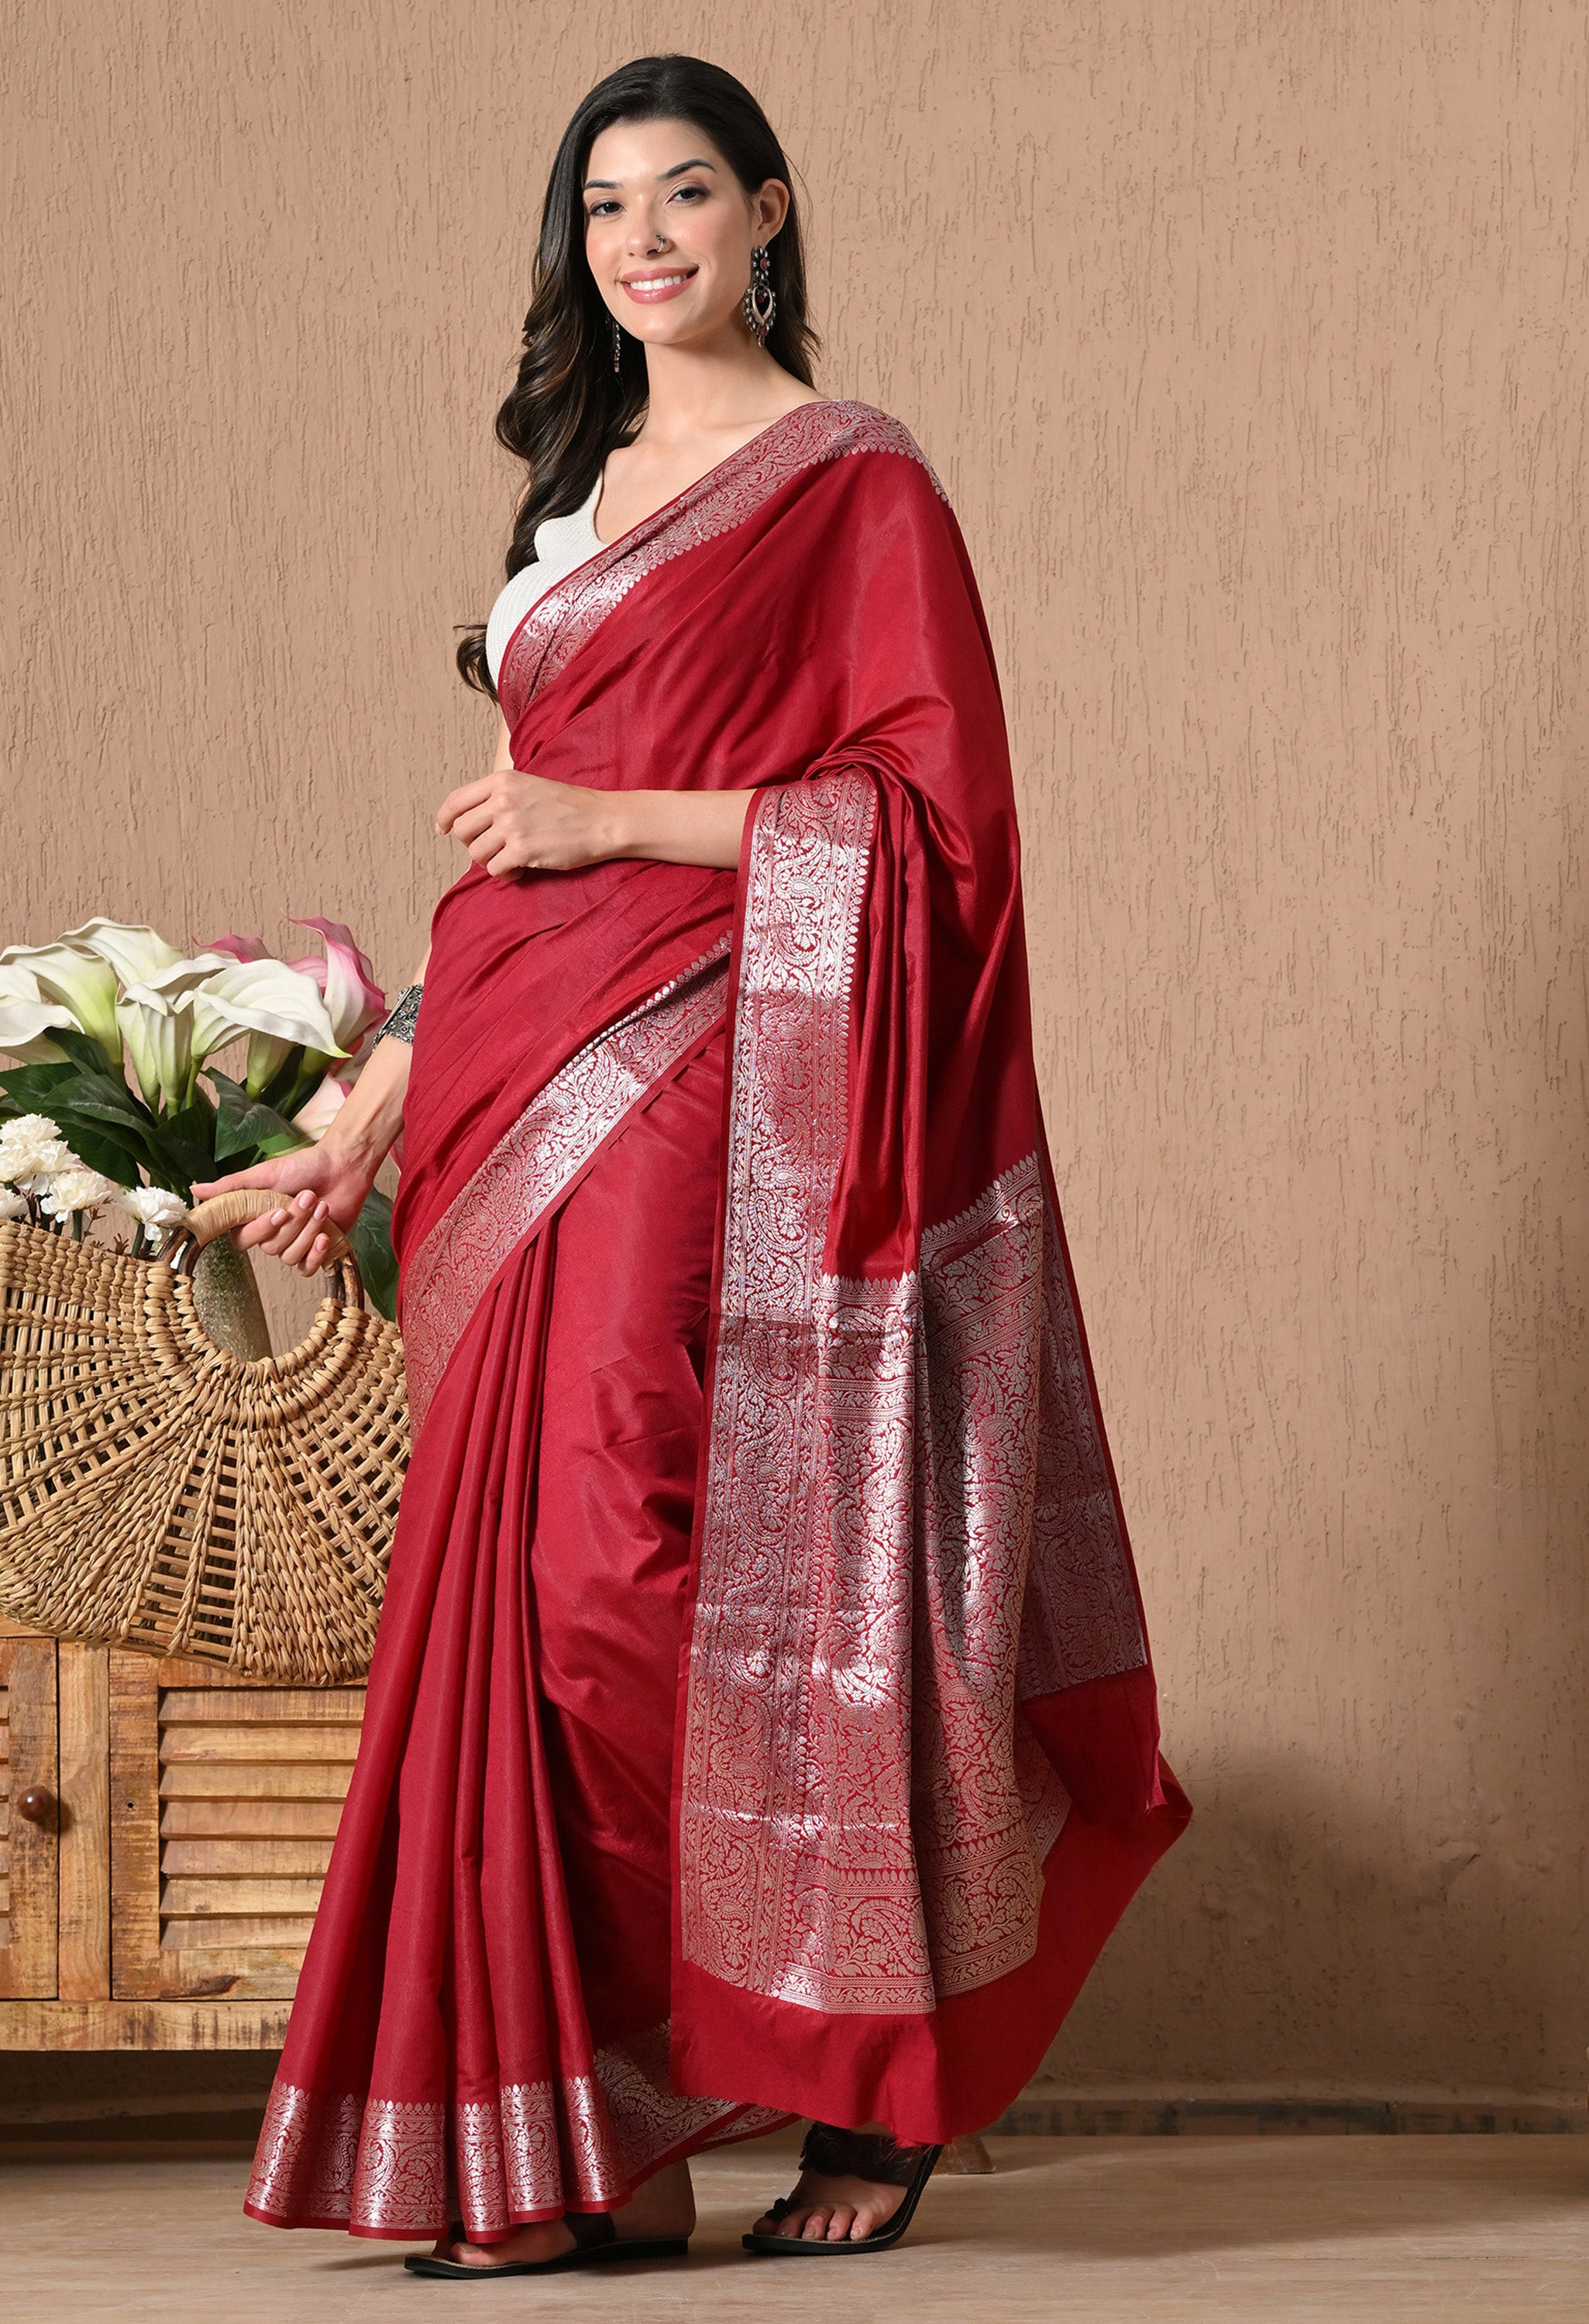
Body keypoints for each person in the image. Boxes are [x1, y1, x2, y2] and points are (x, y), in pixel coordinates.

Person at [196, 52, 1189, 2277]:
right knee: (507, 1600)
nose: (643, 241)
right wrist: (363, 1101)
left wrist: (617, 826)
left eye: (683, 200)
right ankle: (577, 2158)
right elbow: (498, 850)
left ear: (766, 216)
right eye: (605, 210)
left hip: (724, 1073)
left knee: (637, 1576)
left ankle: (852, 2074)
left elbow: (933, 837)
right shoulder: (578, 487)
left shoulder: (851, 486)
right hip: (515, 1076)